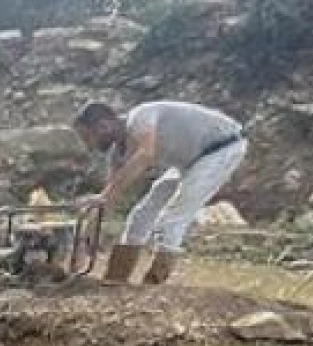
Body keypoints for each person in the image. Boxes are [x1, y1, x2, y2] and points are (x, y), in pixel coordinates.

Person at [73, 100, 248, 286]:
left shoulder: (140, 118)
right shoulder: (118, 153)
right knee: (141, 214)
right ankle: (116, 279)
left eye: (87, 137)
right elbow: (109, 196)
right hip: (188, 161)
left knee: (174, 217)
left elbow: (145, 156)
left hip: (221, 148)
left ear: (103, 126)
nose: (88, 145)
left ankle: (154, 283)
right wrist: (88, 234)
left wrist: (107, 194)